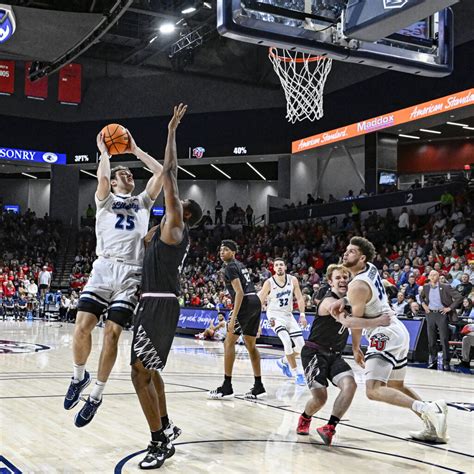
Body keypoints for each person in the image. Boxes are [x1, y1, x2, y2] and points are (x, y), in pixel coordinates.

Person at [63, 125, 164, 427]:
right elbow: (103, 177)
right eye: (126, 175)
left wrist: (135, 150)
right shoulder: (104, 199)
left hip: (132, 272)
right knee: (82, 327)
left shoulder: (143, 201)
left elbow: (160, 172)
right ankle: (79, 376)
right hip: (104, 268)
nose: (131, 178)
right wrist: (104, 152)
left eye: (132, 176)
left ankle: (96, 394)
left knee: (113, 332)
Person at [130, 104, 203, 469]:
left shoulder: (176, 226)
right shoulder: (159, 230)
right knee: (151, 371)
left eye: (179, 201)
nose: (174, 198)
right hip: (152, 301)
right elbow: (162, 175)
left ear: (184, 213)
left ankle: (159, 442)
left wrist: (172, 131)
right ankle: (166, 426)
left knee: (139, 373)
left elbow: (169, 173)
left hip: (159, 303)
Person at [329, 237, 448, 443]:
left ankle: (429, 408)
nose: (346, 253)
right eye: (346, 249)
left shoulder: (356, 284)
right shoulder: (371, 269)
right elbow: (368, 294)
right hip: (397, 330)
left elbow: (355, 321)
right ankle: (432, 427)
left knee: (373, 390)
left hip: (384, 333)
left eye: (351, 251)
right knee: (395, 384)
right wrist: (346, 299)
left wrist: (355, 345)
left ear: (362, 257)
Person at [297, 265, 390, 444]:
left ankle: (330, 427)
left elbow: (357, 322)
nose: (343, 280)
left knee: (350, 385)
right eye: (338, 278)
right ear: (330, 282)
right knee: (320, 398)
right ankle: (305, 417)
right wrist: (378, 321)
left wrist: (356, 348)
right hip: (314, 352)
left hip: (335, 354)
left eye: (346, 277)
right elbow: (348, 322)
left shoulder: (351, 301)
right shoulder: (328, 302)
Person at [208, 239, 266, 400]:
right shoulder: (240, 265)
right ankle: (259, 385)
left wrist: (233, 317)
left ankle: (227, 386)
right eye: (220, 250)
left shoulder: (230, 267)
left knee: (228, 342)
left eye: (226, 250)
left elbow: (239, 292)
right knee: (250, 344)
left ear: (233, 252)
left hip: (246, 302)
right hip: (255, 301)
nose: (222, 252)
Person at [258, 258, 307, 385]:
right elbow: (260, 301)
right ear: (273, 268)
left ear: (285, 267)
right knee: (286, 341)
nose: (279, 267)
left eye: (281, 265)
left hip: (288, 314)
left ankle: (283, 361)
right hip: (274, 315)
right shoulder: (269, 282)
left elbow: (300, 298)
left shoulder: (293, 280)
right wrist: (256, 321)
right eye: (276, 265)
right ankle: (297, 373)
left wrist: (302, 314)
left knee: (301, 346)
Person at [420, 270, 463, 370]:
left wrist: (449, 308)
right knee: (431, 340)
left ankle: (446, 362)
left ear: (438, 276)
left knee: (444, 339)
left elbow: (459, 297)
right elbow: (420, 297)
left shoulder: (445, 287)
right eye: (431, 275)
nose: (432, 276)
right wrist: (423, 305)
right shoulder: (426, 287)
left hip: (441, 314)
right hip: (430, 314)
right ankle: (433, 361)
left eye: (434, 275)